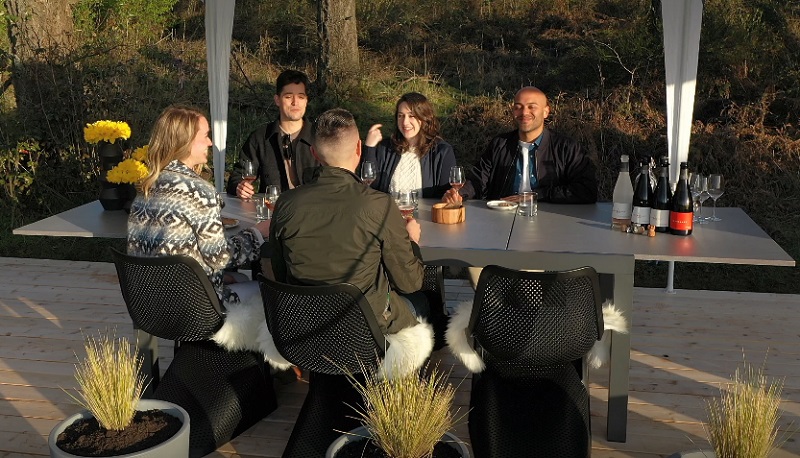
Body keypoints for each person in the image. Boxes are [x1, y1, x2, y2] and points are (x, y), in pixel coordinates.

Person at [127, 105, 278, 358]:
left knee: (237, 280)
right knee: (265, 292)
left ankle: (198, 363)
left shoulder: (146, 188)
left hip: (148, 302)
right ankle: (253, 375)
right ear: (185, 142)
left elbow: (165, 252)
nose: (210, 142)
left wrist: (211, 278)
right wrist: (258, 233)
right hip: (192, 307)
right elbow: (220, 258)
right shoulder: (199, 192)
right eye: (205, 136)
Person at [270, 108, 435, 337]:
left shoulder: (286, 203)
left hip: (305, 325)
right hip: (367, 328)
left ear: (314, 153)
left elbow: (279, 273)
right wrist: (412, 241)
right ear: (359, 148)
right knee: (425, 301)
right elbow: (409, 282)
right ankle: (409, 373)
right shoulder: (380, 205)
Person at [443, 86, 597, 205]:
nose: (524, 112)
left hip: (551, 221)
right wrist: (459, 194)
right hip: (502, 220)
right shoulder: (500, 144)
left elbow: (587, 190)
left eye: (532, 107)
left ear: (546, 111)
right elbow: (478, 180)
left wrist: (538, 196)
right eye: (518, 106)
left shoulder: (566, 148)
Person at [226, 69, 318, 199]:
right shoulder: (260, 138)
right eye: (288, 96)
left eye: (301, 96)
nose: (295, 102)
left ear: (306, 101)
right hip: (273, 215)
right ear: (277, 100)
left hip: (313, 214)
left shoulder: (320, 137)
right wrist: (239, 186)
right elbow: (237, 176)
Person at [363, 92, 456, 198]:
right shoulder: (386, 148)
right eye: (401, 116)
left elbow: (447, 195)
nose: (405, 122)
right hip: (389, 213)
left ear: (424, 118)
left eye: (411, 116)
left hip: (427, 214)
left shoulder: (442, 151)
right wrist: (369, 148)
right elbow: (369, 188)